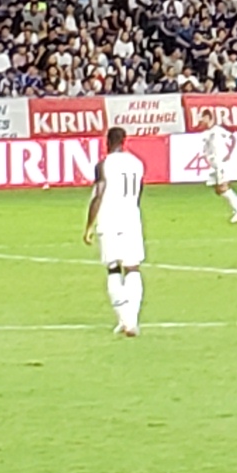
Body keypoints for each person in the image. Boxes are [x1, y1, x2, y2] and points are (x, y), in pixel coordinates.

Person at [85, 124, 149, 337]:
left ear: (107, 142)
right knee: (133, 268)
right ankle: (131, 319)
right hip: (132, 219)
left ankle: (126, 320)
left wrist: (88, 226)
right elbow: (138, 194)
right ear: (124, 141)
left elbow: (99, 194)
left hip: (110, 220)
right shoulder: (137, 163)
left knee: (113, 268)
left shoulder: (104, 164)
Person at [198, 118, 237, 225]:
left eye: (203, 118)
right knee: (217, 190)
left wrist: (229, 153)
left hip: (221, 163)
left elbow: (232, 137)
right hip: (214, 164)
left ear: (209, 118)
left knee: (223, 187)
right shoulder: (206, 133)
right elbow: (206, 149)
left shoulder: (218, 130)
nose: (202, 121)